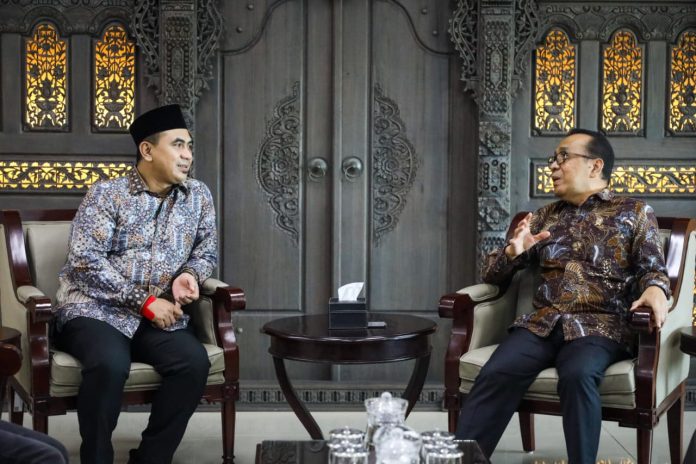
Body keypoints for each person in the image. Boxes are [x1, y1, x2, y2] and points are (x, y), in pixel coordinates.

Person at [455, 128, 670, 464]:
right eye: (552, 159)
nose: (553, 166)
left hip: (600, 326)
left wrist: (656, 289)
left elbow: (652, 269)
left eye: (563, 157)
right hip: (541, 325)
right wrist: (512, 253)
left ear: (595, 165)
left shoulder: (634, 212)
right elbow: (493, 277)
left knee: (578, 375)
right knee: (497, 372)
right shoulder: (544, 217)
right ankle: (461, 461)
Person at [54, 104, 217, 464]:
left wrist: (189, 275)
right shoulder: (106, 195)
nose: (188, 155)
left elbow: (206, 251)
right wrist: (143, 302)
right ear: (147, 150)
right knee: (109, 364)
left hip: (158, 313)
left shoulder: (198, 196)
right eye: (177, 145)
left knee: (193, 363)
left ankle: (150, 459)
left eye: (189, 146)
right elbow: (84, 263)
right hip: (94, 310)